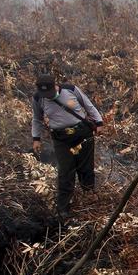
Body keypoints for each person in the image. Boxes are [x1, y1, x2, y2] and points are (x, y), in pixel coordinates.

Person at [30, 74, 103, 220]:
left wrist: (99, 122)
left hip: (82, 132)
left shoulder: (71, 90)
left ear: (55, 86)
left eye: (50, 92)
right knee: (65, 171)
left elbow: (88, 105)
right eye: (45, 94)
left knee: (86, 166)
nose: (48, 96)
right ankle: (63, 208)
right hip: (61, 138)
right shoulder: (38, 98)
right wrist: (36, 138)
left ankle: (89, 195)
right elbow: (37, 118)